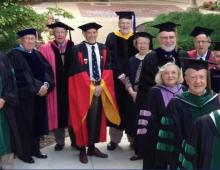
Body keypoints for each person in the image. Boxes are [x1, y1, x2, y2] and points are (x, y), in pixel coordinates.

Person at [68, 22, 120, 164]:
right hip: (83, 89)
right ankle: (81, 149)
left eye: (94, 33)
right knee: (82, 117)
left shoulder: (104, 49)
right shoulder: (76, 50)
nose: (92, 35)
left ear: (97, 34)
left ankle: (91, 147)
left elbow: (108, 68)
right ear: (84, 34)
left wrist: (101, 85)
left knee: (96, 118)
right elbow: (76, 71)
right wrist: (91, 87)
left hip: (100, 88)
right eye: (89, 33)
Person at [155, 59, 220, 169]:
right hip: (183, 159)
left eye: (201, 77)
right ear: (186, 80)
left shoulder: (216, 100)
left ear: (207, 79)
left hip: (213, 158)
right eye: (193, 77)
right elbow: (167, 137)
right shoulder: (176, 103)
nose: (198, 81)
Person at [7, 28, 54, 163]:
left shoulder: (37, 54)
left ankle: (35, 150)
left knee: (37, 123)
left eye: (32, 39)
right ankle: (24, 153)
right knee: (25, 125)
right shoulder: (14, 55)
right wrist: (38, 87)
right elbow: (21, 77)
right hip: (24, 98)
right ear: (21, 40)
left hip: (40, 96)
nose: (30, 41)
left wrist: (46, 84)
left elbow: (47, 70)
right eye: (27, 39)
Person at [136, 62, 184, 169]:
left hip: (181, 141)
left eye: (173, 73)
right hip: (158, 141)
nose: (170, 76)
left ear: (178, 75)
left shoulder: (184, 91)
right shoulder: (154, 92)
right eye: (166, 73)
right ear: (161, 76)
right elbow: (146, 118)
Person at [39, 21, 77, 151]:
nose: (60, 35)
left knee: (73, 114)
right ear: (53, 33)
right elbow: (42, 69)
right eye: (57, 32)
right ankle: (60, 141)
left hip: (72, 88)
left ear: (66, 33)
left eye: (62, 32)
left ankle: (76, 141)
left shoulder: (74, 47)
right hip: (54, 89)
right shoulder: (45, 48)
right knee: (57, 113)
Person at [136, 21, 188, 110]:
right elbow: (144, 87)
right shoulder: (151, 57)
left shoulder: (183, 55)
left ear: (176, 38)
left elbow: (188, 82)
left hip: (181, 102)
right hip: (158, 103)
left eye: (171, 37)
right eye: (164, 38)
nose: (168, 41)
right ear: (159, 39)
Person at [105, 11, 137, 151]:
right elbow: (108, 57)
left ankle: (133, 139)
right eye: (122, 23)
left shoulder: (136, 38)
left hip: (133, 80)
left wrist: (130, 76)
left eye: (128, 23)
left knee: (132, 110)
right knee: (116, 108)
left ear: (131, 24)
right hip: (116, 80)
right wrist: (119, 74)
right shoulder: (111, 37)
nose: (125, 25)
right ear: (118, 24)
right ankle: (114, 140)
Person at [124, 32, 154, 160]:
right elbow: (126, 78)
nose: (142, 45)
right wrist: (131, 91)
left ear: (149, 44)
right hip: (135, 95)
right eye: (140, 43)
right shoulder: (132, 60)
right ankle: (139, 151)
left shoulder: (154, 57)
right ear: (136, 45)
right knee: (138, 124)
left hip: (151, 96)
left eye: (145, 43)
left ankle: (151, 151)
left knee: (150, 123)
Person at [0, 52, 18, 169]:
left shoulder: (3, 57)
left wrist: (4, 98)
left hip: (3, 106)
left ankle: (6, 165)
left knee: (5, 136)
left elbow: (11, 80)